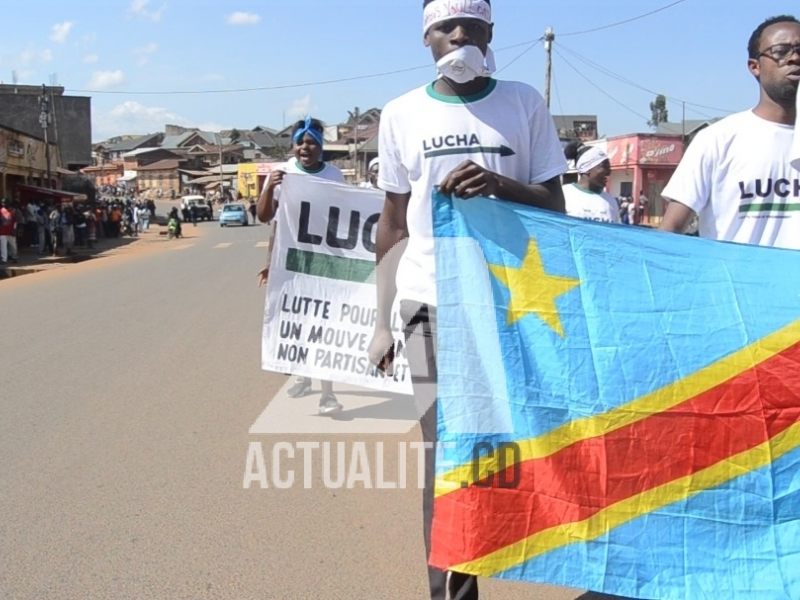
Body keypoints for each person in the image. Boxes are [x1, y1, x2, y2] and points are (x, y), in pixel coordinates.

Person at [367, 1, 567, 598]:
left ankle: (534, 552)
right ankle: (450, 592)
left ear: (489, 34)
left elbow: (555, 204)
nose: (458, 36)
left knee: (513, 449)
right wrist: (380, 321)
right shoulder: (400, 113)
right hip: (427, 305)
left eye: (470, 26)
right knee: (442, 457)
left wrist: (499, 184)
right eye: (445, 27)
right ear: (426, 37)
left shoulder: (524, 102)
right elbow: (394, 222)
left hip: (511, 306)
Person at [660, 15, 800, 247]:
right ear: (754, 67)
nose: (795, 57)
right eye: (781, 51)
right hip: (735, 283)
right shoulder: (717, 139)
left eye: (799, 50)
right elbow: (671, 229)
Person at [256, 117, 347, 416]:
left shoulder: (335, 176)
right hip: (292, 262)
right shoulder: (282, 173)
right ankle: (304, 377)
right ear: (293, 146)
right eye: (300, 143)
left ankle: (328, 395)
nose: (305, 148)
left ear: (321, 147)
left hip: (325, 261)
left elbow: (348, 218)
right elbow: (267, 219)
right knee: (299, 324)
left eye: (312, 143)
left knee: (325, 326)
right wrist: (270, 187)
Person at [563, 142, 621, 223]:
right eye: (604, 167)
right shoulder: (564, 194)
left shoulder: (611, 201)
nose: (609, 172)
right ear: (586, 169)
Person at [0, 199, 18, 264]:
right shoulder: (0, 211)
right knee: (3, 246)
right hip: (2, 232)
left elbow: (15, 222)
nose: (4, 204)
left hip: (11, 232)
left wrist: (14, 230)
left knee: (13, 246)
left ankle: (14, 257)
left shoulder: (12, 211)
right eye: (3, 203)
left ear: (8, 203)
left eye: (5, 203)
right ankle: (4, 259)